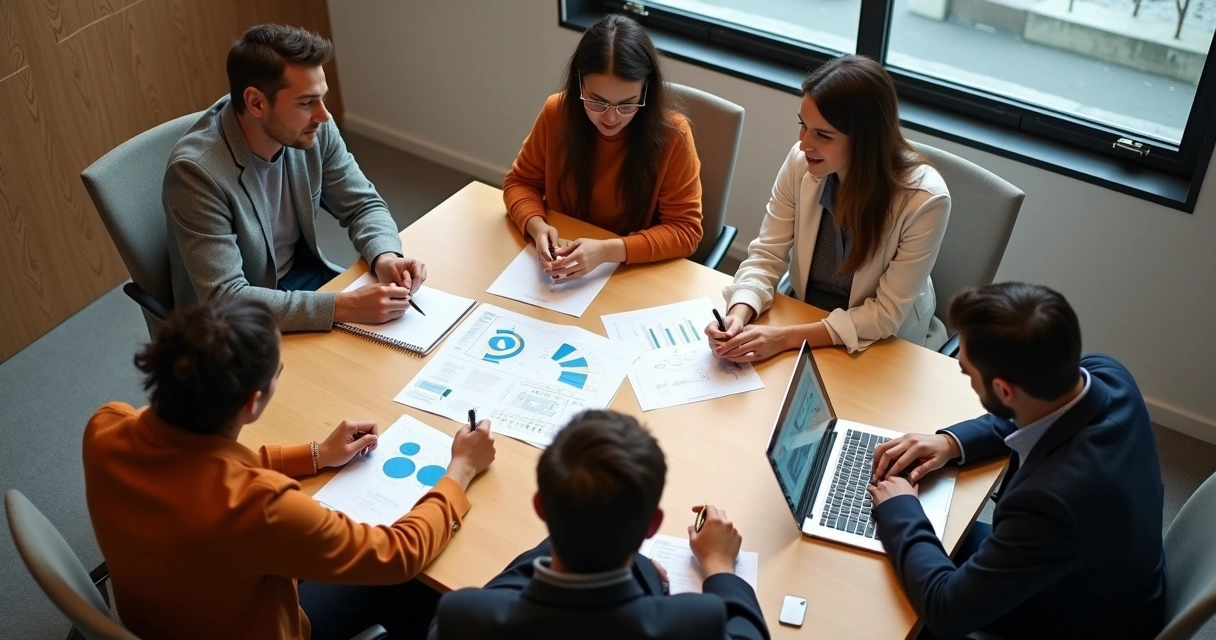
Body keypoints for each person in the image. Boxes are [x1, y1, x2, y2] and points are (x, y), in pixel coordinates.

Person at [81, 300, 497, 640]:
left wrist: (313, 454)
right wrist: (460, 467)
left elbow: (193, 468)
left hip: (165, 620)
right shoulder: (262, 507)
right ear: (252, 403)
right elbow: (396, 554)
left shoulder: (106, 425)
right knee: (424, 588)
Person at [867, 282, 1165, 640]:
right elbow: (1033, 414)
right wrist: (951, 442)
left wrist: (901, 508)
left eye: (968, 373)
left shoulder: (1051, 502)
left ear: (1005, 390)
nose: (967, 378)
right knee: (918, 547)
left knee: (884, 605)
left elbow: (946, 610)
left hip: (1083, 620)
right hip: (1108, 572)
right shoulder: (1106, 374)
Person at [164, 24, 426, 333]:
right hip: (235, 325)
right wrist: (344, 306)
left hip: (301, 281)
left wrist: (385, 255)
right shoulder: (196, 173)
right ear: (257, 103)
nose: (323, 115)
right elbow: (225, 298)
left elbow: (362, 204)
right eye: (306, 103)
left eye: (321, 98)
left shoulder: (312, 130)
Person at [427, 410, 768, 640]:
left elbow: (505, 591)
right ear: (652, 526)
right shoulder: (696, 622)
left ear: (540, 507)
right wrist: (720, 567)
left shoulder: (465, 616)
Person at [706, 55, 950, 360]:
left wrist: (783, 338)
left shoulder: (925, 201)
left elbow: (884, 315)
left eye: (822, 134)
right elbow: (766, 257)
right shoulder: (800, 162)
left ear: (866, 140)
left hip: (879, 342)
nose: (804, 142)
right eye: (803, 126)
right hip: (803, 313)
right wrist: (738, 314)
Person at [503, 14, 703, 283]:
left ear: (646, 91)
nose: (611, 118)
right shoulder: (556, 113)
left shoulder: (673, 135)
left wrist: (608, 250)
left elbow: (685, 230)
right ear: (579, 85)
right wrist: (536, 226)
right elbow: (520, 182)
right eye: (596, 102)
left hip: (629, 273)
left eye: (627, 104)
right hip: (561, 261)